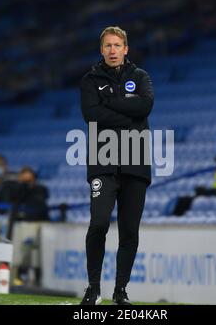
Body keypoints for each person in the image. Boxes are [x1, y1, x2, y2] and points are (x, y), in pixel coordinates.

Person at [79, 26, 154, 305]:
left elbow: (144, 107)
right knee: (98, 223)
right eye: (107, 46)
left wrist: (110, 103)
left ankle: (120, 291)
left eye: (117, 45)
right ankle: (93, 287)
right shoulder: (90, 80)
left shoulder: (141, 77)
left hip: (135, 161)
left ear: (126, 49)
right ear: (102, 50)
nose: (112, 50)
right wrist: (128, 116)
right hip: (103, 160)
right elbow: (91, 114)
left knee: (129, 231)